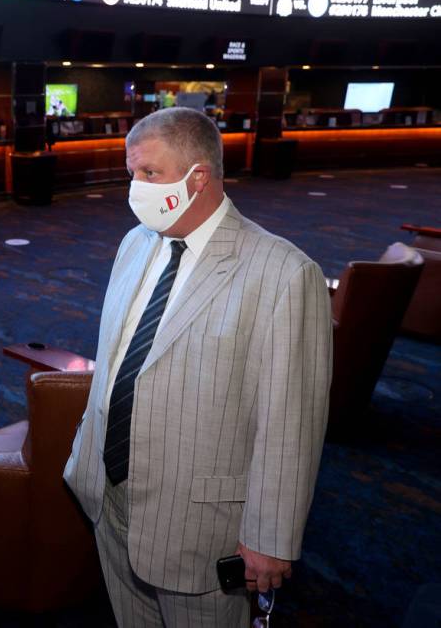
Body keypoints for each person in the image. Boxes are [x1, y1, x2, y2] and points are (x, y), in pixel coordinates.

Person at [64, 107, 332, 626]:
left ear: (199, 177)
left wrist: (269, 537)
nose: (134, 189)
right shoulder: (135, 242)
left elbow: (290, 423)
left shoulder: (283, 273)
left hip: (199, 525)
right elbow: (118, 359)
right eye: (131, 173)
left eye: (149, 174)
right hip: (110, 497)